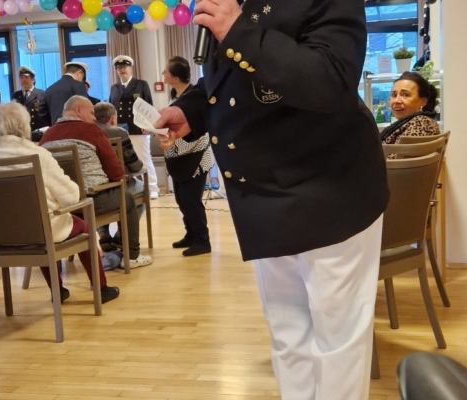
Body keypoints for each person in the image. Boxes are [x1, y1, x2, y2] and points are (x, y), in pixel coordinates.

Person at [154, 1, 390, 399]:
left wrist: (237, 31)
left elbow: (332, 80)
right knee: (287, 336)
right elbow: (228, 77)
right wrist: (190, 109)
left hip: (330, 189)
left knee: (337, 342)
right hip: (261, 195)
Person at [0, 102, 120, 303]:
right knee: (79, 226)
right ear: (23, 126)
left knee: (36, 222)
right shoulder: (38, 155)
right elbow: (71, 197)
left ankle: (58, 290)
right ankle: (102, 288)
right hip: (40, 232)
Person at [39, 96, 152, 269]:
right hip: (92, 201)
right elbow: (116, 173)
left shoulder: (47, 136)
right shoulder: (91, 131)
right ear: (78, 110)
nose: (94, 118)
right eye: (91, 113)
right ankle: (132, 256)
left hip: (62, 205)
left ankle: (104, 237)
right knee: (127, 199)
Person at [160, 56, 213, 256]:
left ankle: (202, 241)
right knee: (181, 200)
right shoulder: (174, 96)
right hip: (176, 158)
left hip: (196, 157)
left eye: (166, 71)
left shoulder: (195, 96)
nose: (163, 73)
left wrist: (173, 141)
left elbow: (201, 132)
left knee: (192, 201)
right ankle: (190, 234)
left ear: (175, 77)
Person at [94, 101, 145, 252]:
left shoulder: (87, 133)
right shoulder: (119, 132)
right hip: (119, 185)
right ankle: (120, 235)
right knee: (143, 189)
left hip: (95, 188)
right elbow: (135, 165)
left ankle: (103, 234)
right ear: (112, 118)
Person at [108, 55, 160, 200]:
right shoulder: (114, 88)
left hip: (138, 128)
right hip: (121, 130)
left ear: (131, 68)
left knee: (144, 159)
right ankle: (135, 188)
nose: (122, 70)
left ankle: (152, 187)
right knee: (125, 161)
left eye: (125, 67)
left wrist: (148, 125)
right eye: (119, 68)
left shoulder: (141, 84)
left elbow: (148, 106)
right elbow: (112, 109)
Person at [381, 71, 440, 144]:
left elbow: (402, 151)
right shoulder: (412, 121)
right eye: (394, 95)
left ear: (423, 101)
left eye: (405, 95)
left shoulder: (419, 124)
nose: (396, 101)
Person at [39, 62, 89, 126]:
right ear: (79, 73)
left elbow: (42, 111)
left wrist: (53, 124)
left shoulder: (50, 89)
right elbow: (85, 108)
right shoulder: (79, 86)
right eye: (83, 78)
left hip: (56, 128)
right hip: (75, 128)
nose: (82, 80)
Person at [11, 66, 49, 131]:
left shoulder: (42, 94)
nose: (23, 80)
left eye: (26, 77)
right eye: (21, 77)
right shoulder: (15, 96)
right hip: (21, 131)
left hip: (37, 131)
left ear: (33, 80)